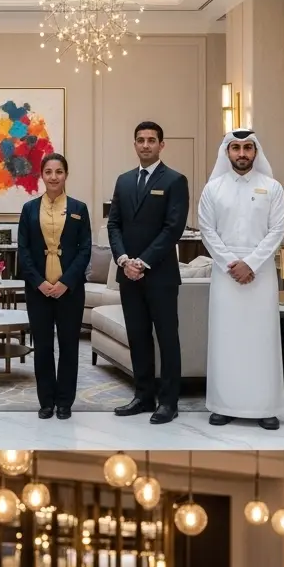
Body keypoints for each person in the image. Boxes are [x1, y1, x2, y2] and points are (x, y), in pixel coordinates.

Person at [198, 130, 284, 429]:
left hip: (260, 276)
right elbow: (207, 231)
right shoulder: (212, 189)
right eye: (235, 148)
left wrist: (250, 264)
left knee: (262, 340)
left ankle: (265, 407)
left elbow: (277, 231)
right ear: (227, 153)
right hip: (226, 276)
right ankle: (223, 405)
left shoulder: (272, 188)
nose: (242, 153)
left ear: (256, 152)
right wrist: (230, 264)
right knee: (226, 341)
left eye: (248, 147)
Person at [106, 121, 190, 424]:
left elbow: (173, 229)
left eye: (151, 140)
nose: (145, 145)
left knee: (168, 339)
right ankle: (143, 396)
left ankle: (169, 402)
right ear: (134, 144)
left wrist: (142, 262)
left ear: (161, 145)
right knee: (138, 337)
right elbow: (113, 224)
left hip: (160, 275)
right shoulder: (124, 181)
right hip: (127, 274)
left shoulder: (175, 180)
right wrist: (123, 259)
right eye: (140, 140)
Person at [17, 153, 91, 419]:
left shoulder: (79, 209)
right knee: (44, 347)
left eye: (59, 172)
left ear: (66, 175)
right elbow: (23, 250)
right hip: (38, 291)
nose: (53, 177)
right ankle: (46, 401)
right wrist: (39, 283)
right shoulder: (28, 209)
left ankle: (65, 402)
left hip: (69, 291)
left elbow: (85, 251)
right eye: (48, 172)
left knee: (69, 346)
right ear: (41, 175)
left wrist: (65, 283)